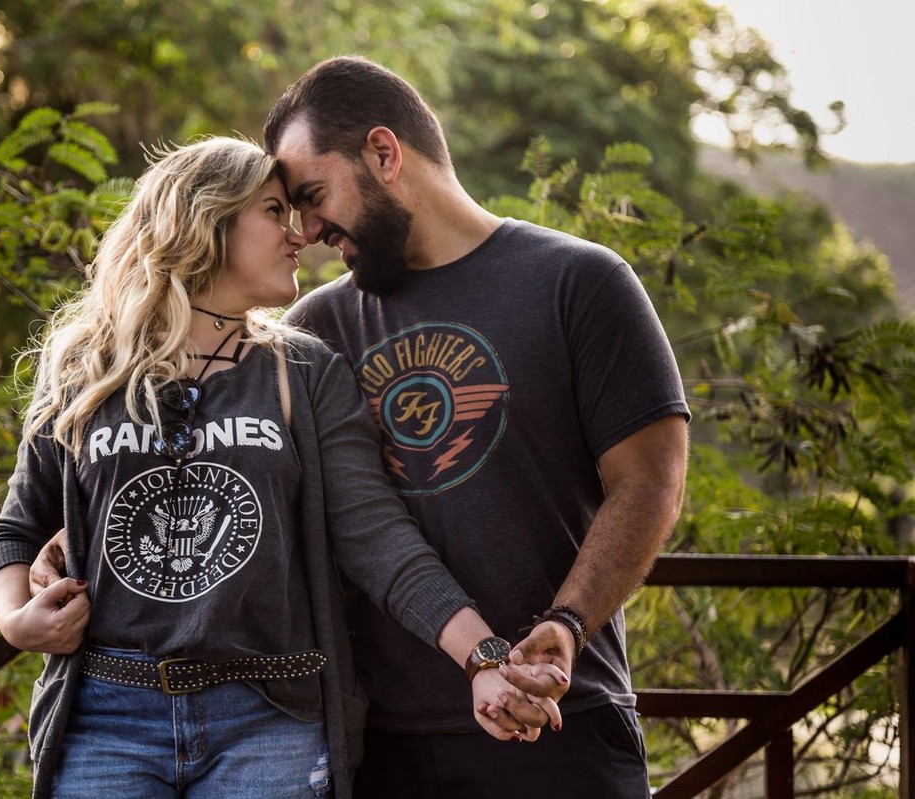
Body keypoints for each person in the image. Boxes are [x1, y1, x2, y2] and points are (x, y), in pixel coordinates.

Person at [0, 136, 563, 799]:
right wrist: (14, 618)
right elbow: (17, 528)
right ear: (205, 222)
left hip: (269, 716)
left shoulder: (303, 371)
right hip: (106, 714)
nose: (299, 236)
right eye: (273, 212)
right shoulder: (86, 366)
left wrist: (484, 657)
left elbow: (376, 539)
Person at [258, 56, 691, 796]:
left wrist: (567, 624)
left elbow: (649, 482)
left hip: (561, 721)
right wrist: (76, 529)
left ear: (384, 155)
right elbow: (227, 464)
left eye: (313, 195)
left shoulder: (579, 282)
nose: (308, 229)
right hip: (382, 746)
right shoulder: (312, 330)